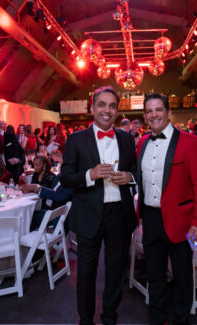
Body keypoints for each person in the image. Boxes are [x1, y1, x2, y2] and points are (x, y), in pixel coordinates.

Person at [61, 86, 137, 325]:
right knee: (85, 274)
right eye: (102, 105)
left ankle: (110, 318)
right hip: (88, 214)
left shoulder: (126, 138)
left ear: (117, 110)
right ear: (92, 108)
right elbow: (65, 176)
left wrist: (130, 178)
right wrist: (89, 175)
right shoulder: (75, 139)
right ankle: (85, 320)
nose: (107, 110)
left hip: (119, 214)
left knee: (116, 273)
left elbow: (134, 170)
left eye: (112, 106)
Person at [136, 93, 197, 325]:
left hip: (182, 219)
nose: (154, 115)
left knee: (182, 275)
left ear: (169, 113)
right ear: (145, 116)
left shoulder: (191, 142)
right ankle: (156, 318)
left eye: (158, 110)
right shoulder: (142, 143)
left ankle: (181, 319)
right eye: (149, 111)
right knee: (155, 275)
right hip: (150, 218)